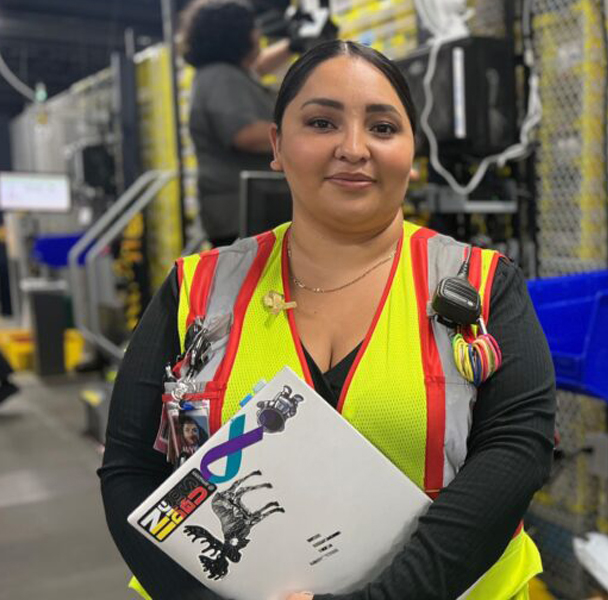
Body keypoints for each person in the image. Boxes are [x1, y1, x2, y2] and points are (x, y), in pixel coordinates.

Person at [99, 40, 556, 600]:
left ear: (411, 153)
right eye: (322, 122)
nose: (355, 148)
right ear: (276, 145)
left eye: (384, 128)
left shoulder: (482, 283)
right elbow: (129, 469)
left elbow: (516, 450)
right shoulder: (197, 289)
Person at [181, 0, 299, 247]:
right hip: (241, 215)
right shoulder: (221, 77)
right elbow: (245, 135)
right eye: (253, 28)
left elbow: (259, 66)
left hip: (244, 211)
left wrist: (294, 44)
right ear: (235, 36)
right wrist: (309, 132)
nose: (259, 34)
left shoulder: (224, 73)